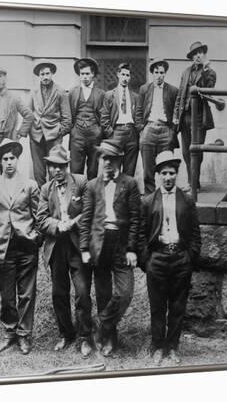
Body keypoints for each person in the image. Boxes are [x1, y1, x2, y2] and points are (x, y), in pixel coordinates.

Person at [79, 140, 141, 357]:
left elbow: (135, 220)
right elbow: (86, 219)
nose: (108, 162)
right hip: (99, 245)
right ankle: (110, 339)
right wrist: (85, 248)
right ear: (99, 160)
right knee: (103, 293)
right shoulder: (91, 185)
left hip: (121, 245)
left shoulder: (130, 184)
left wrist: (132, 248)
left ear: (119, 161)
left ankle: (103, 326)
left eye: (112, 158)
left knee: (125, 293)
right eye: (104, 157)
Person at [141, 150, 201, 365]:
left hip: (180, 259)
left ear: (177, 174)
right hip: (157, 259)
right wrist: (147, 261)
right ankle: (157, 346)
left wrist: (190, 257)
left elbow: (195, 233)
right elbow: (141, 234)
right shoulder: (148, 202)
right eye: (164, 173)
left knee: (177, 306)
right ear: (157, 175)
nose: (168, 177)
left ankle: (173, 347)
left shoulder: (186, 200)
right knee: (157, 306)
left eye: (172, 173)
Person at [0, 139, 41, 355]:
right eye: (5, 159)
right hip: (3, 248)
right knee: (7, 296)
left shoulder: (30, 185)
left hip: (26, 247)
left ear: (18, 160)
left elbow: (39, 215)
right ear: (0, 162)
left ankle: (24, 335)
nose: (9, 162)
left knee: (26, 294)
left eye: (12, 158)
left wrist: (36, 238)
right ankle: (9, 333)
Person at [36, 145, 92, 356]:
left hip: (77, 246)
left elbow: (88, 210)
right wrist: (58, 225)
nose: (57, 170)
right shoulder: (45, 189)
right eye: (53, 166)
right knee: (59, 293)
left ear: (67, 166)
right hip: (56, 247)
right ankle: (66, 334)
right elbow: (41, 219)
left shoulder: (80, 182)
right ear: (49, 167)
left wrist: (73, 222)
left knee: (82, 292)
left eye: (60, 166)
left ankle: (85, 337)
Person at [173, 41, 217, 191]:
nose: (198, 55)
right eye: (195, 53)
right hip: (184, 116)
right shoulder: (185, 72)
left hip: (198, 116)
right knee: (186, 151)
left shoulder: (210, 72)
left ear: (204, 55)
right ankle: (193, 183)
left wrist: (205, 70)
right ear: (192, 56)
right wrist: (176, 115)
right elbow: (180, 95)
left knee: (196, 151)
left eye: (200, 52)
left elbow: (209, 89)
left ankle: (194, 185)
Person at [138, 59, 179, 195]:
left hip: (165, 129)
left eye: (162, 72)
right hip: (149, 128)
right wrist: (141, 129)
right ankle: (150, 197)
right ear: (152, 73)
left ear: (165, 73)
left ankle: (166, 196)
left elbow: (176, 112)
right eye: (156, 72)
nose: (159, 75)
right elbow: (138, 110)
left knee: (166, 166)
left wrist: (172, 131)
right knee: (147, 170)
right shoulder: (144, 89)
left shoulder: (173, 90)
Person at [27, 62, 72, 187]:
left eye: (47, 73)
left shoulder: (61, 91)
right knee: (38, 172)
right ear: (39, 76)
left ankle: (54, 200)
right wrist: (29, 131)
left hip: (54, 136)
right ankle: (42, 201)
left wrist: (59, 132)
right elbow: (28, 113)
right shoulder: (33, 91)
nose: (45, 77)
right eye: (42, 74)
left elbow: (67, 117)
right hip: (36, 135)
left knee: (55, 170)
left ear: (52, 74)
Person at [100, 63, 142, 177]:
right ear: (118, 75)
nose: (125, 78)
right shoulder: (109, 95)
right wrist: (110, 133)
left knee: (130, 168)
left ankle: (127, 193)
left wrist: (138, 133)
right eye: (123, 74)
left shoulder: (135, 96)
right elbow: (104, 117)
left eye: (127, 75)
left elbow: (138, 116)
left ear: (130, 77)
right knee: (114, 167)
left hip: (131, 132)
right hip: (116, 132)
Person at [68, 58, 106, 180]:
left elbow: (104, 115)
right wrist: (72, 130)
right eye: (82, 74)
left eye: (87, 74)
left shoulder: (101, 94)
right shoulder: (73, 92)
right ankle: (76, 197)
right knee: (75, 170)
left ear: (93, 74)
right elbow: (68, 114)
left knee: (93, 170)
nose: (85, 77)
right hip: (77, 136)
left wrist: (99, 131)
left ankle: (91, 197)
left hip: (94, 136)